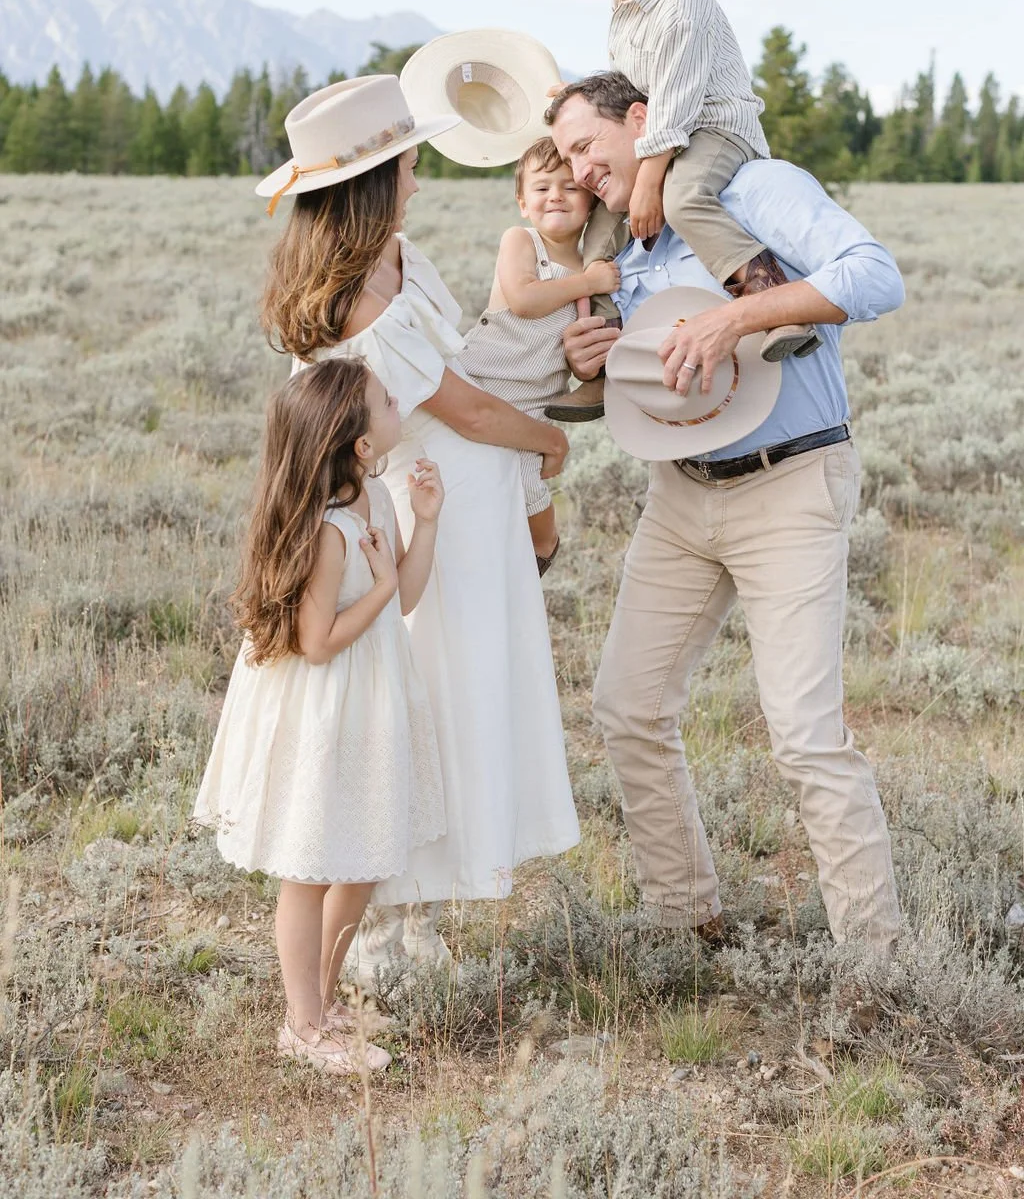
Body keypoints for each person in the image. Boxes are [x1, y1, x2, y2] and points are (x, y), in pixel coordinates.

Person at [546, 71, 903, 949]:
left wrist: (738, 320)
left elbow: (876, 276)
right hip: (681, 494)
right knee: (628, 704)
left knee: (806, 736)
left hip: (791, 481)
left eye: (588, 148)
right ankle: (686, 918)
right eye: (565, 160)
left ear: (643, 119)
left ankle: (877, 964)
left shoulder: (751, 189)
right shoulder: (616, 241)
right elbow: (648, 373)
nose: (582, 171)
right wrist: (592, 358)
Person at [258, 75, 580, 987]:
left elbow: (470, 359)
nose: (417, 177)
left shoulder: (402, 258)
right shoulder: (357, 296)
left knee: (457, 700)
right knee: (413, 705)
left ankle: (415, 910)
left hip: (467, 516)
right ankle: (374, 933)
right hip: (413, 517)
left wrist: (563, 354)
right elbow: (465, 411)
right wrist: (549, 439)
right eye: (404, 164)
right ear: (369, 182)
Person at [193, 357, 446, 1074]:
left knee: (362, 856)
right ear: (361, 443)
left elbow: (402, 599)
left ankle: (326, 1001)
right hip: (324, 702)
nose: (399, 402)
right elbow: (317, 641)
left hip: (370, 697)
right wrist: (384, 583)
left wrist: (424, 525)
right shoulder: (327, 530)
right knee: (309, 866)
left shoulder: (377, 497)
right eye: (386, 401)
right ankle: (300, 1025)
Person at [547, 0, 817, 424]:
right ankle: (604, 365)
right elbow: (632, 85)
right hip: (670, 132)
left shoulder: (682, 9)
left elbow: (672, 104)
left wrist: (648, 182)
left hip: (715, 126)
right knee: (596, 244)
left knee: (683, 197)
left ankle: (774, 306)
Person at [459, 136, 620, 573]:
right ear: (522, 202)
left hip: (536, 400)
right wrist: (589, 283)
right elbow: (524, 299)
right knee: (466, 470)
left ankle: (540, 551)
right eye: (542, 187)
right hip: (483, 380)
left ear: (590, 201)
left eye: (570, 187)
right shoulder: (523, 241)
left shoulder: (593, 263)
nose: (556, 196)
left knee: (526, 483)